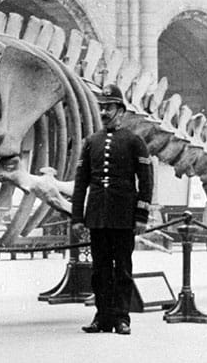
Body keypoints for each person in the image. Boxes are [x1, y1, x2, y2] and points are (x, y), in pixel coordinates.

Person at [71, 84, 154, 335]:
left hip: (123, 215)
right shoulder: (91, 142)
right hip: (97, 215)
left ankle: (122, 317)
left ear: (121, 110)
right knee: (100, 270)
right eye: (102, 107)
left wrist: (141, 214)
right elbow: (81, 181)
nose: (104, 112)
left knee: (123, 269)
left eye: (109, 107)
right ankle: (102, 317)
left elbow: (146, 180)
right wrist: (77, 217)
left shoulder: (134, 141)